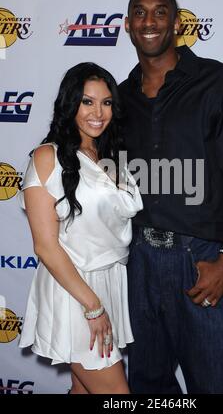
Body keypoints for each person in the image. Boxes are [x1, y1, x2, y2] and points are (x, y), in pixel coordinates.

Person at [118, 0, 223, 394]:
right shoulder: (119, 97)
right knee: (148, 387)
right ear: (128, 24)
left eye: (160, 12)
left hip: (200, 261)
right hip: (137, 263)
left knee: (214, 384)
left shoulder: (219, 82)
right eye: (140, 13)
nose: (150, 21)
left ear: (176, 23)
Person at [19, 62, 142, 394]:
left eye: (106, 102)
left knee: (84, 389)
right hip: (75, 292)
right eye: (87, 101)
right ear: (69, 103)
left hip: (108, 282)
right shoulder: (47, 156)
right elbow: (45, 246)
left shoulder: (109, 155)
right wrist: (92, 305)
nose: (98, 112)